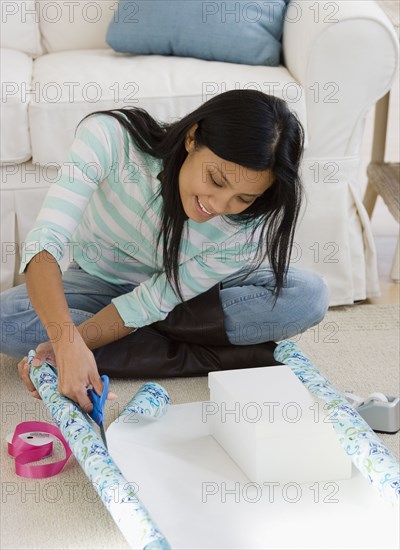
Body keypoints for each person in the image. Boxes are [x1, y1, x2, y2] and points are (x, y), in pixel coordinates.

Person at [0, 90, 329, 412]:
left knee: (306, 296)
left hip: (193, 297)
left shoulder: (251, 219)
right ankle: (226, 352)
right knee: (5, 321)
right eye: (215, 179)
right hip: (100, 283)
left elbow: (155, 300)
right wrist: (66, 341)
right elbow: (46, 241)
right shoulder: (109, 138)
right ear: (192, 138)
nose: (218, 205)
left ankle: (128, 348)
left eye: (243, 198)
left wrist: (72, 342)